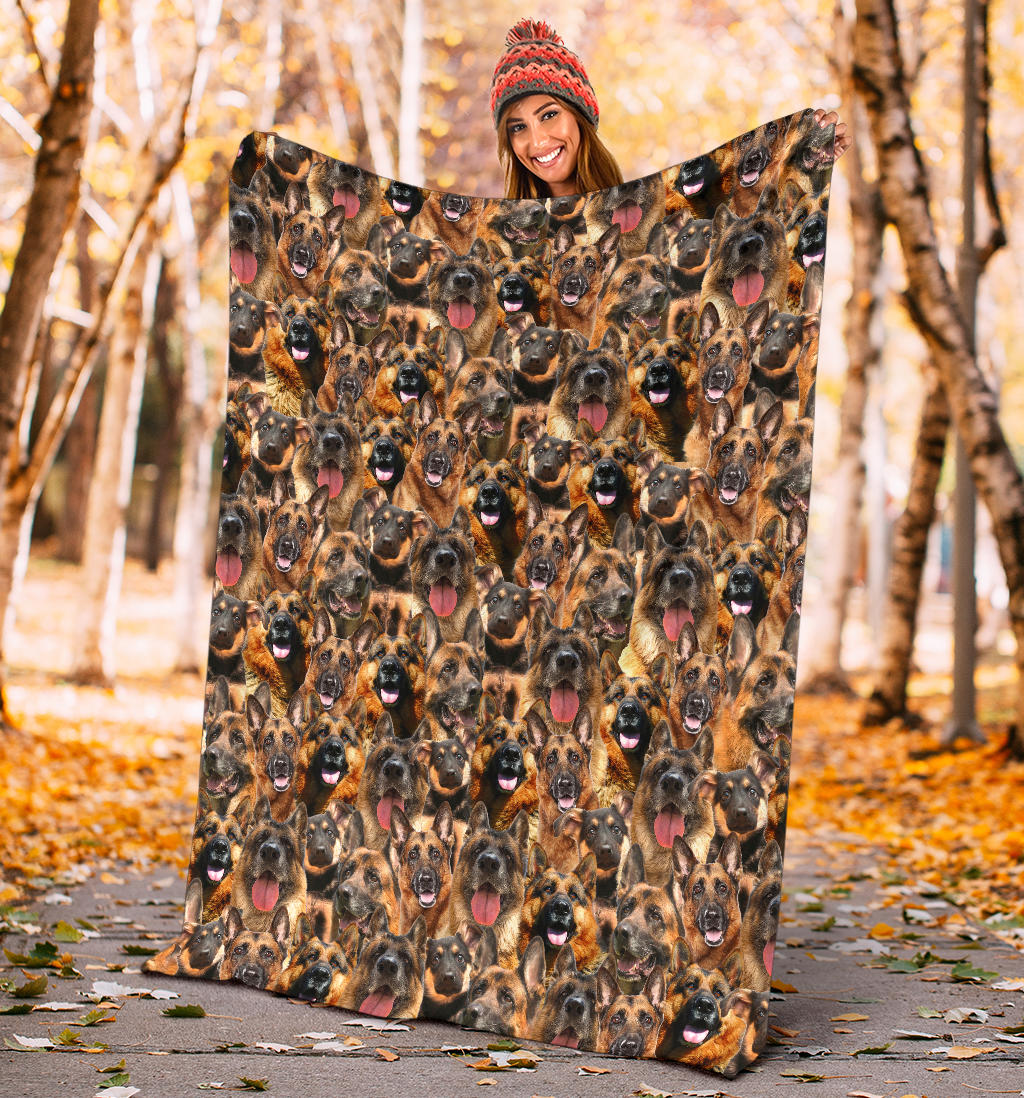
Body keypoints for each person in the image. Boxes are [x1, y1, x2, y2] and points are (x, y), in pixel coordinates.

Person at [489, 17, 850, 200]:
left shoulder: (642, 217)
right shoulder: (493, 250)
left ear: (579, 117)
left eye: (549, 114)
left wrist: (801, 162)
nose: (537, 140)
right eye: (517, 127)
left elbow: (736, 215)